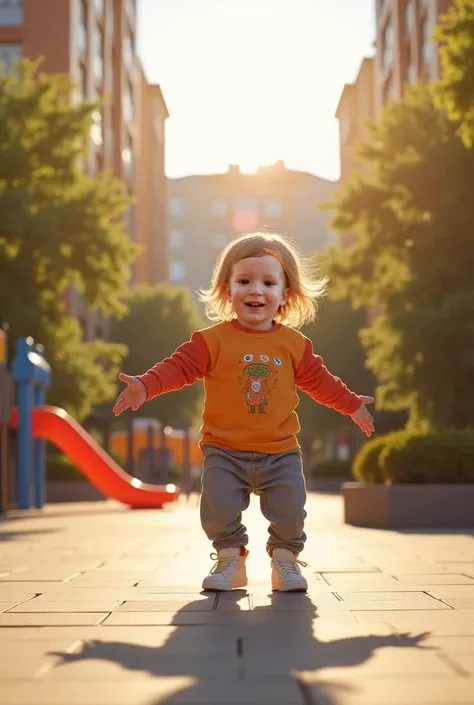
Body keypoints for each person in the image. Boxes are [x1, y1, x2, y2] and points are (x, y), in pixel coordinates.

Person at [113, 231, 374, 593]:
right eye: (244, 281)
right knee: (216, 507)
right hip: (224, 449)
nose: (256, 290)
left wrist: (352, 404)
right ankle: (230, 561)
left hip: (280, 450)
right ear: (227, 289)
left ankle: (285, 561)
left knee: (291, 510)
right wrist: (146, 383)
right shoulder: (210, 340)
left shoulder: (294, 344)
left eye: (268, 282)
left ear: (284, 295)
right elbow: (179, 367)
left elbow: (320, 380)